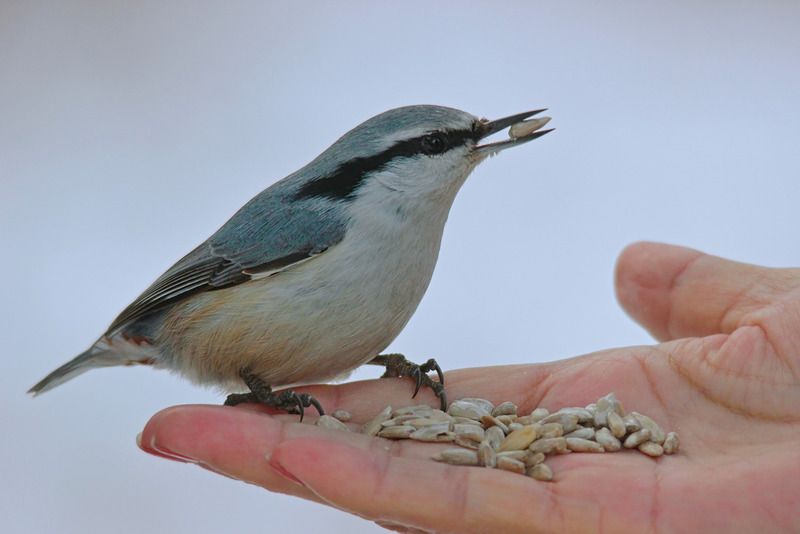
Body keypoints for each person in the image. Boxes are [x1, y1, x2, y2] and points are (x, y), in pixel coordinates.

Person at [138, 242, 800, 533]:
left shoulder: (398, 247)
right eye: (431, 145)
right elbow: (203, 285)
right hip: (175, 325)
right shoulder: (312, 221)